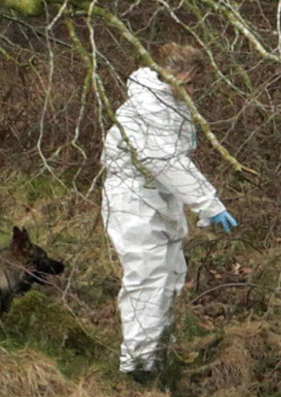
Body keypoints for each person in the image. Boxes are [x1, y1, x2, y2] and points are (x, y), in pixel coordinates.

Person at [101, 43, 238, 377]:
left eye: (196, 86)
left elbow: (173, 162)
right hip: (133, 200)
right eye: (187, 83)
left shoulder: (169, 103)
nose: (191, 92)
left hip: (157, 200)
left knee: (171, 277)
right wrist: (209, 203)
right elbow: (165, 162)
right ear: (168, 75)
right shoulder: (149, 106)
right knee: (146, 280)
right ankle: (138, 366)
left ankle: (160, 352)